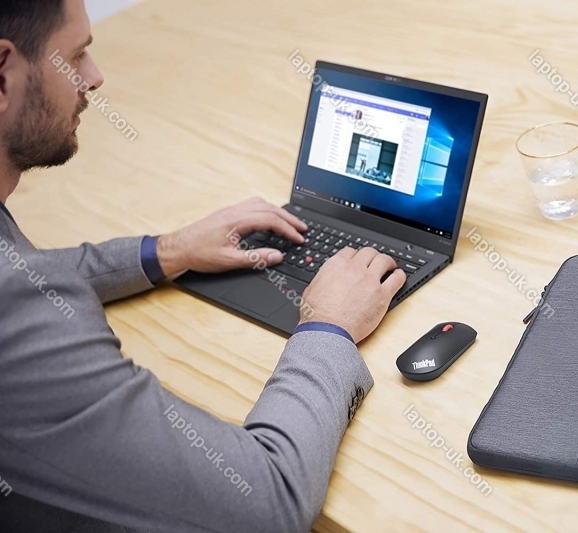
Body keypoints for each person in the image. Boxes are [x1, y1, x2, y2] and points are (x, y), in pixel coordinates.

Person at [0, 1, 406, 532]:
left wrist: (170, 251)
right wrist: (328, 326)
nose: (94, 78)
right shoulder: (20, 313)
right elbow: (268, 504)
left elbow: (23, 270)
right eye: (76, 56)